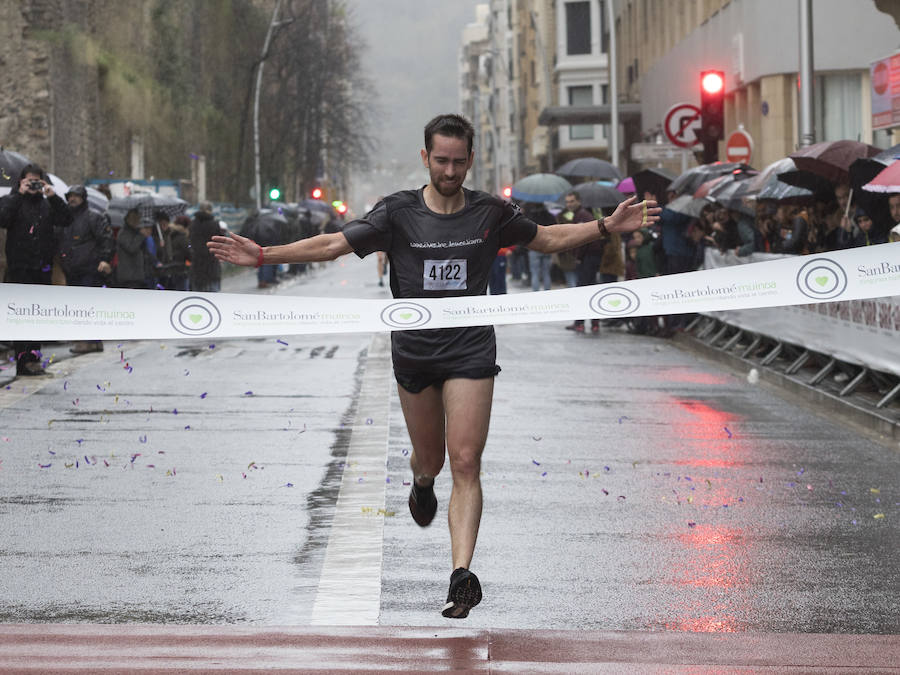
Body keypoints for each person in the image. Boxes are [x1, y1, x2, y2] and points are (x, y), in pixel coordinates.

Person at [208, 113, 660, 619]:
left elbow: (547, 239)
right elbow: (334, 244)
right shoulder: (396, 213)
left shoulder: (491, 212)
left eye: (459, 162)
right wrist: (266, 255)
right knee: (433, 462)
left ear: (471, 160)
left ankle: (461, 576)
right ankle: (421, 484)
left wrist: (604, 226)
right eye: (441, 161)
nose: (450, 170)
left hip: (470, 349)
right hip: (416, 353)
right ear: (425, 158)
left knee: (465, 461)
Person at [0, 163, 73, 375]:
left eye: (36, 181)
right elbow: (2, 219)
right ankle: (23, 362)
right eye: (29, 180)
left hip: (41, 269)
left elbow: (67, 219)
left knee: (37, 316)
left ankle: (34, 358)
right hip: (18, 269)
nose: (33, 184)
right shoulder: (12, 200)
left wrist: (52, 196)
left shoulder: (47, 204)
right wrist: (18, 194)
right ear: (21, 181)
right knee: (19, 317)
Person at [58, 184, 114, 354]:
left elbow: (106, 239)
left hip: (89, 267)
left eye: (76, 196)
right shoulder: (64, 219)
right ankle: (91, 340)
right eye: (70, 196)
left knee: (87, 306)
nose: (72, 199)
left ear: (83, 198)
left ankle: (89, 341)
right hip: (72, 268)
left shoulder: (94, 217)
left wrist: (105, 259)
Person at [115, 208, 155, 289]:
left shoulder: (136, 232)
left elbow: (144, 252)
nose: (138, 221)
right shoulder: (123, 233)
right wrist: (141, 235)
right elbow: (131, 248)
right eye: (136, 218)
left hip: (139, 275)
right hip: (128, 276)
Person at [189, 201, 224, 292]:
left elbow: (191, 242)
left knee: (198, 298)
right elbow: (220, 241)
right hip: (211, 264)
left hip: (197, 265)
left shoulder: (193, 225)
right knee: (212, 298)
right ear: (210, 211)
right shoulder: (214, 224)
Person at [153, 210, 190, 290]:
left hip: (171, 270)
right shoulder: (157, 236)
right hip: (164, 270)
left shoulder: (168, 234)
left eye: (166, 224)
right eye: (162, 224)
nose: (165, 226)